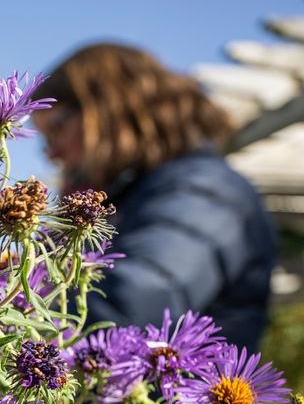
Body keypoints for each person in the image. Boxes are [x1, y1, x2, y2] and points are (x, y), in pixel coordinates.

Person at [33, 43, 277, 352]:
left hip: (178, 397)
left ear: (110, 107)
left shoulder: (206, 190)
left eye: (56, 128)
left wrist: (13, 317)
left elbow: (134, 305)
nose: (53, 154)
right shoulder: (139, 194)